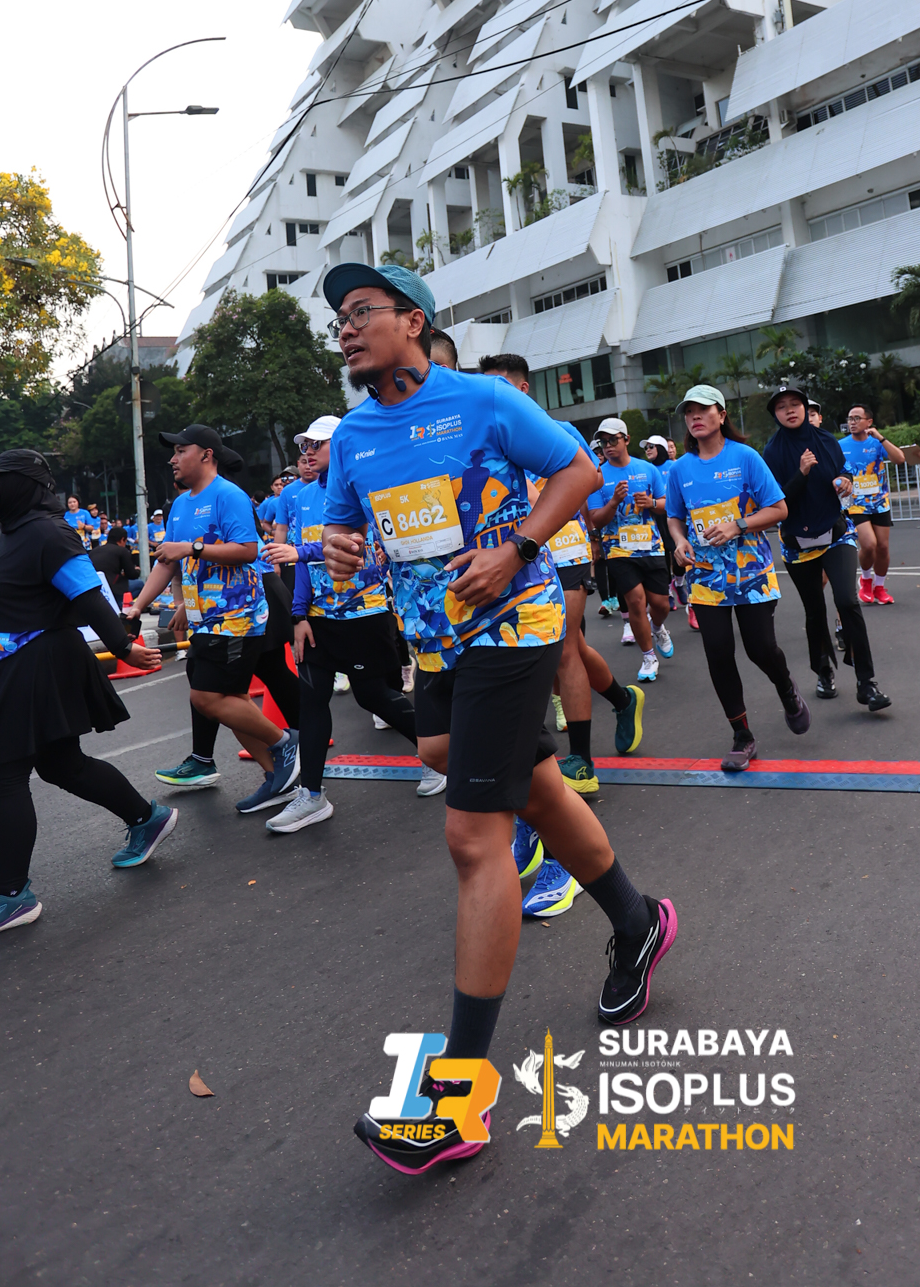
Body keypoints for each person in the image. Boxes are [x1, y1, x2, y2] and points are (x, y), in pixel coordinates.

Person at [318, 261, 676, 1173]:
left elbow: (578, 469)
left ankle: (459, 1103)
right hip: (434, 641)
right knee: (515, 778)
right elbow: (347, 531)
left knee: (474, 839)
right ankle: (637, 922)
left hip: (514, 627)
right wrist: (341, 547)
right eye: (339, 320)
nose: (346, 329)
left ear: (413, 321)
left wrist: (516, 548)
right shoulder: (353, 435)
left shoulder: (481, 401)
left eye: (361, 312)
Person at [0, 449, 174, 944]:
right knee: (61, 764)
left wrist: (123, 647)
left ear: (21, 485)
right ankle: (146, 818)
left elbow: (87, 595)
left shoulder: (50, 533)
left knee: (2, 772)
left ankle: (10, 897)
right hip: (16, 667)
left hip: (40, 664)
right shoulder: (5, 536)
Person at [480, 353, 644, 810]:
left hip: (564, 548)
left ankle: (582, 762)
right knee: (569, 650)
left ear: (522, 389)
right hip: (515, 556)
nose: (488, 396)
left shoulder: (557, 430)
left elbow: (587, 480)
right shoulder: (483, 434)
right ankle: (622, 699)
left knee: (566, 649)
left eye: (498, 386)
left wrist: (541, 495)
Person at [125, 424, 300, 813]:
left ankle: (286, 744)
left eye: (180, 450)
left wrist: (193, 547)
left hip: (237, 617)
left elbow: (247, 549)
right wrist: (138, 605)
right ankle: (278, 777)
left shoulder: (228, 495)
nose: (173, 459)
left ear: (206, 455)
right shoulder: (180, 504)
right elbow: (167, 562)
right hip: (206, 620)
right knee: (228, 700)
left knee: (207, 697)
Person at [265, 415, 427, 832]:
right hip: (319, 619)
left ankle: (437, 757)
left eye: (316, 445)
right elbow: (301, 564)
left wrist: (301, 552)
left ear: (340, 445)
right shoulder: (299, 496)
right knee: (312, 701)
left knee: (374, 697)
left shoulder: (365, 485)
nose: (307, 454)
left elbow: (368, 554)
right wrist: (299, 615)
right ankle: (312, 796)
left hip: (364, 614)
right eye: (304, 446)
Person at [664, 385, 807, 772]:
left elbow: (778, 509)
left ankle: (787, 689)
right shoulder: (680, 469)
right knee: (718, 651)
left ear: (722, 415)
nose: (695, 417)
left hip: (751, 572)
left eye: (703, 409)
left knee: (760, 649)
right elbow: (674, 516)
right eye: (689, 411)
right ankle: (742, 736)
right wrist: (679, 541)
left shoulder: (745, 457)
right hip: (705, 577)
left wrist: (738, 525)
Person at [763, 381, 891, 711]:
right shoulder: (772, 452)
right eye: (781, 407)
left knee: (847, 600)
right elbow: (775, 500)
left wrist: (845, 480)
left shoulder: (825, 440)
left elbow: (843, 470)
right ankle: (823, 672)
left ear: (805, 408)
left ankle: (867, 682)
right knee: (815, 611)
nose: (790, 410)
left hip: (836, 533)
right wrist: (802, 472)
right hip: (797, 542)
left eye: (795, 404)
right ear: (775, 414)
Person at [587, 418, 672, 680]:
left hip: (651, 547)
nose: (608, 446)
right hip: (619, 551)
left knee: (661, 604)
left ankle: (658, 627)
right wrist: (613, 501)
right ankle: (648, 657)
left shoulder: (647, 469)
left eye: (613, 440)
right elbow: (595, 519)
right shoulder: (597, 476)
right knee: (635, 601)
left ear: (626, 439)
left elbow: (666, 504)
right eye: (603, 442)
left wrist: (651, 503)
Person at [840, 407, 906, 606]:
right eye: (850, 419)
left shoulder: (876, 443)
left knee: (883, 547)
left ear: (869, 421)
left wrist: (881, 438)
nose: (852, 422)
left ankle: (879, 587)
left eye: (857, 418)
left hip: (879, 503)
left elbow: (900, 459)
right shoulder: (841, 445)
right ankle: (866, 580)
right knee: (869, 545)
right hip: (854, 504)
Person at [91, 524, 140, 605]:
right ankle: (120, 604)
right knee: (140, 584)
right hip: (114, 588)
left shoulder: (94, 551)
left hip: (95, 589)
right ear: (122, 539)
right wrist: (137, 571)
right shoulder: (122, 551)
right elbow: (131, 574)